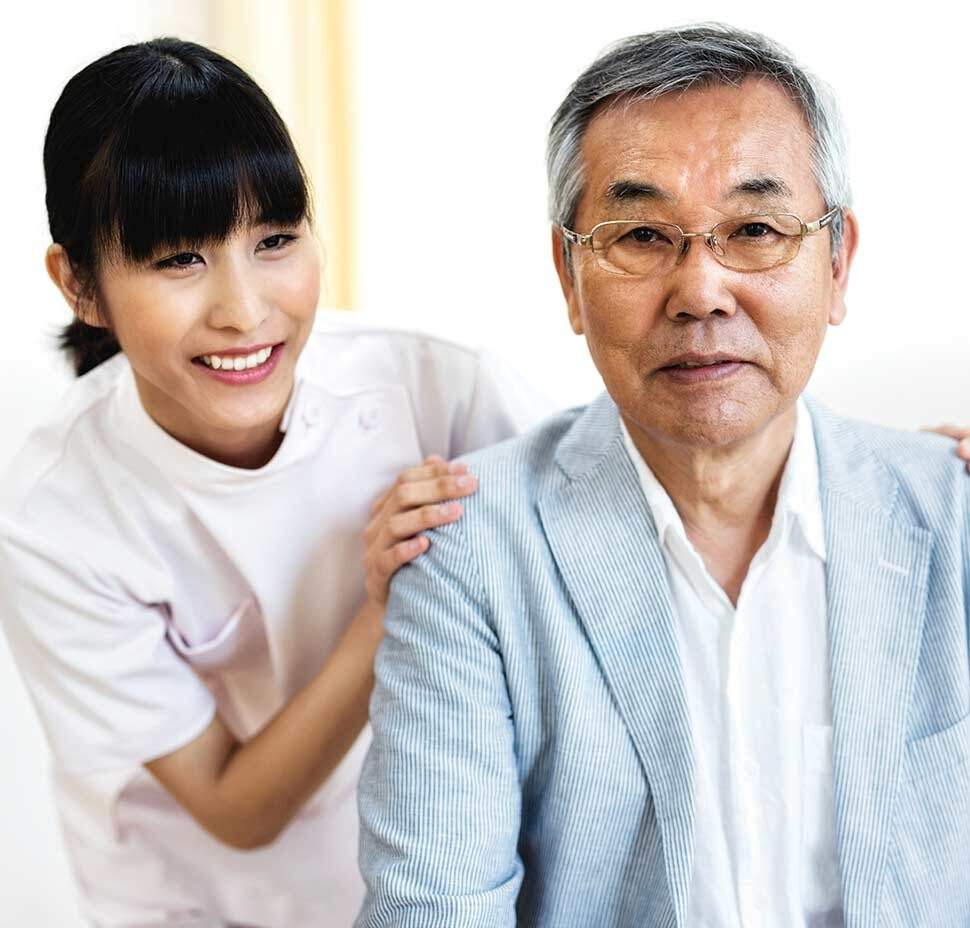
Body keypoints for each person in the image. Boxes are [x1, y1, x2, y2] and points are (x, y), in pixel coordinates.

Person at [356, 24, 970, 928]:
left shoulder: (952, 516)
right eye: (641, 235)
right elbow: (432, 909)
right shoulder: (466, 552)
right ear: (568, 275)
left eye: (756, 230)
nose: (702, 291)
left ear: (836, 263)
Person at [0, 38, 550, 927]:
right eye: (179, 259)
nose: (246, 310)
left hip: (441, 875)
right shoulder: (54, 517)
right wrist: (391, 604)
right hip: (194, 899)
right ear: (81, 286)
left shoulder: (442, 389)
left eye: (275, 240)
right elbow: (236, 809)